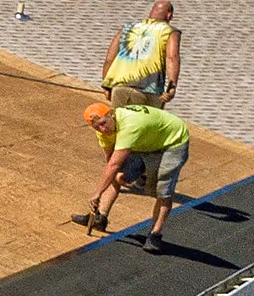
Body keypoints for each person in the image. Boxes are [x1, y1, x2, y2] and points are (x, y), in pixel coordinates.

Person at [76, 101, 192, 251]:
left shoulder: (129, 125)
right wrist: (112, 179)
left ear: (111, 114)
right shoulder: (104, 131)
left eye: (104, 123)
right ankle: (100, 217)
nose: (103, 129)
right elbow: (111, 163)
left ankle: (155, 235)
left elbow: (114, 165)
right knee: (115, 175)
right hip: (146, 140)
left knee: (163, 190)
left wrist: (98, 193)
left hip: (172, 142)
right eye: (97, 127)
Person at [101, 1, 183, 108]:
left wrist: (106, 85)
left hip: (120, 88)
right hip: (149, 90)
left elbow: (109, 59)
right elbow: (172, 58)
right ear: (169, 15)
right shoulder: (169, 31)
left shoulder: (127, 29)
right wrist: (172, 87)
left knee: (122, 122)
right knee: (147, 123)